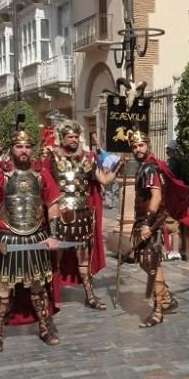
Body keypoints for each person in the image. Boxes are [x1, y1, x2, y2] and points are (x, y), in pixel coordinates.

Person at [0, 128, 62, 352]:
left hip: (35, 237)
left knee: (38, 287)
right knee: (2, 289)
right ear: (11, 149)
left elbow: (53, 205)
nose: (24, 151)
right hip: (6, 238)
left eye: (27, 147)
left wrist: (54, 235)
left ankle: (44, 327)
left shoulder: (42, 175)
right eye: (19, 146)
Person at [41, 120, 119, 311]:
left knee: (83, 258)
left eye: (76, 136)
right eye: (70, 137)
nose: (74, 140)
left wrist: (119, 166)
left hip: (82, 216)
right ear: (63, 138)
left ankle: (90, 295)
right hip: (59, 216)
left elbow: (103, 180)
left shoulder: (88, 158)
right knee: (56, 258)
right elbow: (42, 184)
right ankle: (53, 295)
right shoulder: (52, 158)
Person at [129, 129, 178, 327]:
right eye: (134, 146)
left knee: (153, 267)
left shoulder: (150, 168)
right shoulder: (143, 167)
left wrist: (148, 224)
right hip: (143, 222)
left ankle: (158, 311)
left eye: (141, 145)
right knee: (145, 263)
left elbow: (156, 196)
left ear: (147, 145)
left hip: (151, 224)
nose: (138, 149)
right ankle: (166, 297)